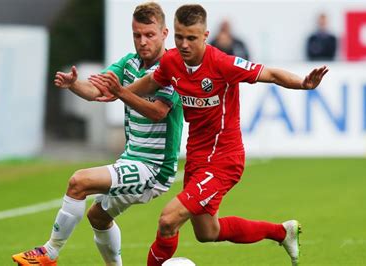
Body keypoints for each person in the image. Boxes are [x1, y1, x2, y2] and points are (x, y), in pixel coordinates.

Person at [90, 4, 329, 266]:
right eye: (179, 37)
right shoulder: (171, 62)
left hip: (224, 159)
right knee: (207, 232)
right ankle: (282, 232)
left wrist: (303, 83)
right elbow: (151, 83)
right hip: (197, 156)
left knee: (168, 220)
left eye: (191, 38)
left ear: (205, 35)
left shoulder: (222, 63)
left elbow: (269, 74)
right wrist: (120, 92)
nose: (184, 44)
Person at [11, 2, 183, 266]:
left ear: (164, 33)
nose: (142, 41)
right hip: (131, 160)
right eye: (137, 35)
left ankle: (49, 253)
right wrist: (74, 85)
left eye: (149, 35)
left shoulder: (171, 69)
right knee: (98, 217)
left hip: (154, 168)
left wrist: (121, 93)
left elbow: (158, 112)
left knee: (79, 182)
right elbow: (97, 90)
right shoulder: (129, 63)